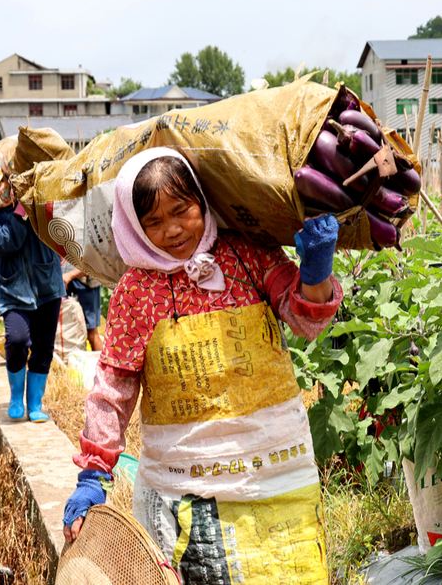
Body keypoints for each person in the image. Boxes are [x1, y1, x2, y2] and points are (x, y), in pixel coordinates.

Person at [62, 148, 342, 584]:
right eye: (153, 223)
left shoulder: (249, 256)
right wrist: (93, 472)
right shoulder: (137, 290)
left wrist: (317, 268)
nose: (172, 230)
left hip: (275, 474)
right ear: (134, 227)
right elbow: (113, 386)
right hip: (185, 487)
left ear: (203, 203)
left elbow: (305, 321)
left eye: (182, 211)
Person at [0, 156, 66, 424]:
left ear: (7, 179)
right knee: (15, 341)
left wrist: (28, 203)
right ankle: (16, 397)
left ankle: (35, 404)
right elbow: (5, 244)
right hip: (13, 290)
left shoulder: (31, 198)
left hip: (47, 283)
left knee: (43, 346)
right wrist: (19, 213)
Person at [61, 260, 104, 352]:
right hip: (65, 282)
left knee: (92, 332)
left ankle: (102, 365)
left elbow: (96, 263)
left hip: (85, 284)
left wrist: (69, 275)